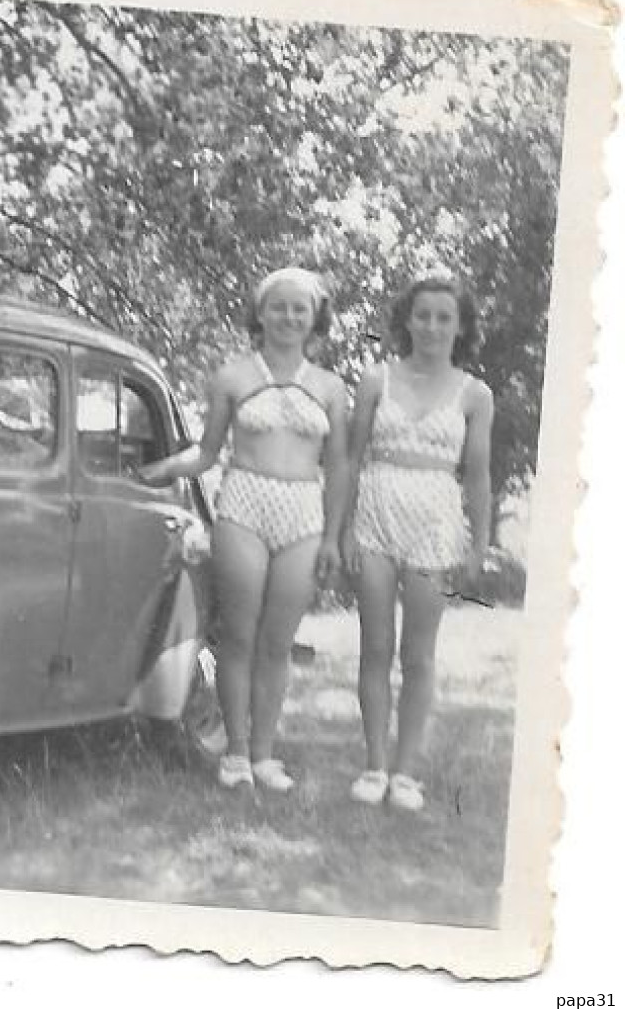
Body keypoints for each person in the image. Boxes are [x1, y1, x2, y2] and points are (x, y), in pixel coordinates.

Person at [139, 267, 349, 791]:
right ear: (260, 313)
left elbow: (341, 465)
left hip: (304, 511)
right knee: (238, 635)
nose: (288, 316)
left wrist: (333, 538)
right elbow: (207, 453)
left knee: (278, 641)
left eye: (300, 308)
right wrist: (158, 470)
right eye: (278, 306)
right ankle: (234, 754)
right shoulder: (232, 376)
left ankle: (264, 755)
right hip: (244, 504)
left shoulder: (329, 387)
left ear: (315, 317)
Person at [341, 277, 493, 811]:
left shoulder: (475, 394)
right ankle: (375, 765)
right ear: (407, 320)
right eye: (422, 315)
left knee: (419, 653)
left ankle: (407, 773)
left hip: (435, 521)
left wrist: (479, 545)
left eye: (443, 317)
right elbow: (350, 457)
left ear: (460, 326)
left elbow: (477, 476)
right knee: (376, 646)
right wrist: (342, 530)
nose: (431, 326)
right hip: (375, 514)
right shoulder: (375, 378)